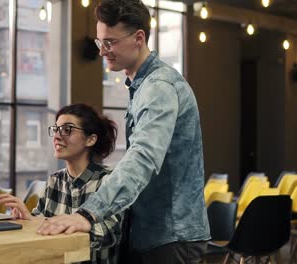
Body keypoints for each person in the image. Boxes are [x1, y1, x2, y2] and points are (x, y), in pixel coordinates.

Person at [36, 0, 211, 263]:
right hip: (153, 233)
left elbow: (143, 158)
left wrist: (88, 214)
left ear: (138, 38)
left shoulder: (159, 87)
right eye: (99, 43)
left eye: (110, 42)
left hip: (171, 236)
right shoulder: (142, 86)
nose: (102, 51)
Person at [0, 103, 123, 264]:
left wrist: (50, 224)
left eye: (67, 130)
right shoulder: (55, 181)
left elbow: (109, 234)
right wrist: (0, 216)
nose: (57, 136)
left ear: (90, 139)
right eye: (56, 129)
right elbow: (38, 229)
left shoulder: (108, 181)